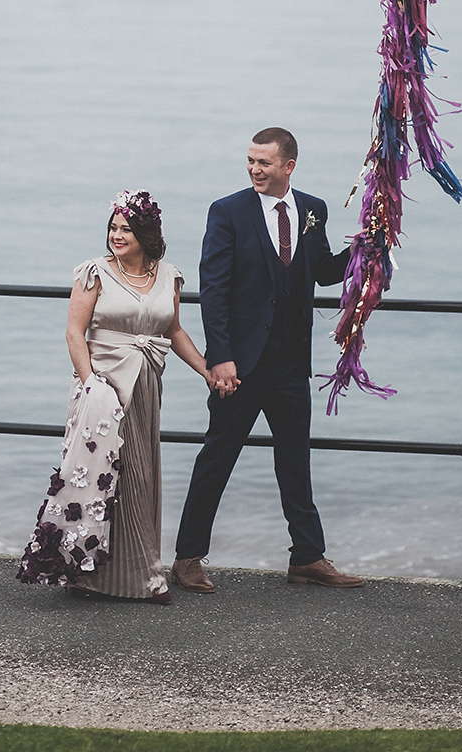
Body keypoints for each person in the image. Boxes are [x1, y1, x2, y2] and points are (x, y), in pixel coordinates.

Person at [172, 128, 363, 592]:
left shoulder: (312, 209)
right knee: (217, 456)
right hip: (241, 365)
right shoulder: (228, 211)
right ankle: (187, 557)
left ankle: (307, 556)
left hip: (291, 362)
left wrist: (365, 248)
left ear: (289, 166)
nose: (255, 170)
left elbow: (320, 273)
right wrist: (221, 358)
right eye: (251, 161)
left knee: (296, 461)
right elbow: (213, 290)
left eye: (265, 163)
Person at [18, 189, 211, 603]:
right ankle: (85, 575)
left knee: (139, 477)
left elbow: (173, 331)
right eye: (113, 227)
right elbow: (74, 332)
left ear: (146, 233)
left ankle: (141, 575)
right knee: (98, 479)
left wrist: (207, 371)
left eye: (126, 228)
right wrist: (91, 384)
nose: (117, 235)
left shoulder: (168, 275)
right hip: (103, 387)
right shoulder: (94, 273)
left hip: (144, 386)